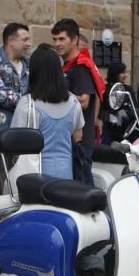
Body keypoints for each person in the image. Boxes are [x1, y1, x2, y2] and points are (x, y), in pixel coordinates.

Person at [11, 44, 84, 180]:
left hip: (35, 178)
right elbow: (78, 136)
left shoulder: (27, 104)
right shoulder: (74, 102)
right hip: (66, 175)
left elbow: (16, 147)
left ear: (34, 71)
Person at [0, 22, 31, 197]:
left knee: (17, 176)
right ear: (11, 40)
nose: (28, 44)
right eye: (25, 40)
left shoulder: (28, 64)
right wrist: (28, 102)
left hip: (19, 132)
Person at [52, 18, 103, 184]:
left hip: (81, 140)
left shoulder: (80, 67)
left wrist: (56, 91)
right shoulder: (67, 66)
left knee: (83, 188)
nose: (57, 43)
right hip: (71, 137)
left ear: (74, 40)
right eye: (55, 39)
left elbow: (84, 102)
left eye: (62, 39)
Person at [101, 61, 134, 143]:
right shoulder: (104, 90)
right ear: (115, 74)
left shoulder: (128, 89)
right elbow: (100, 110)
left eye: (125, 72)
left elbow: (134, 107)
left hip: (126, 130)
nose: (125, 75)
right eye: (122, 73)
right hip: (109, 129)